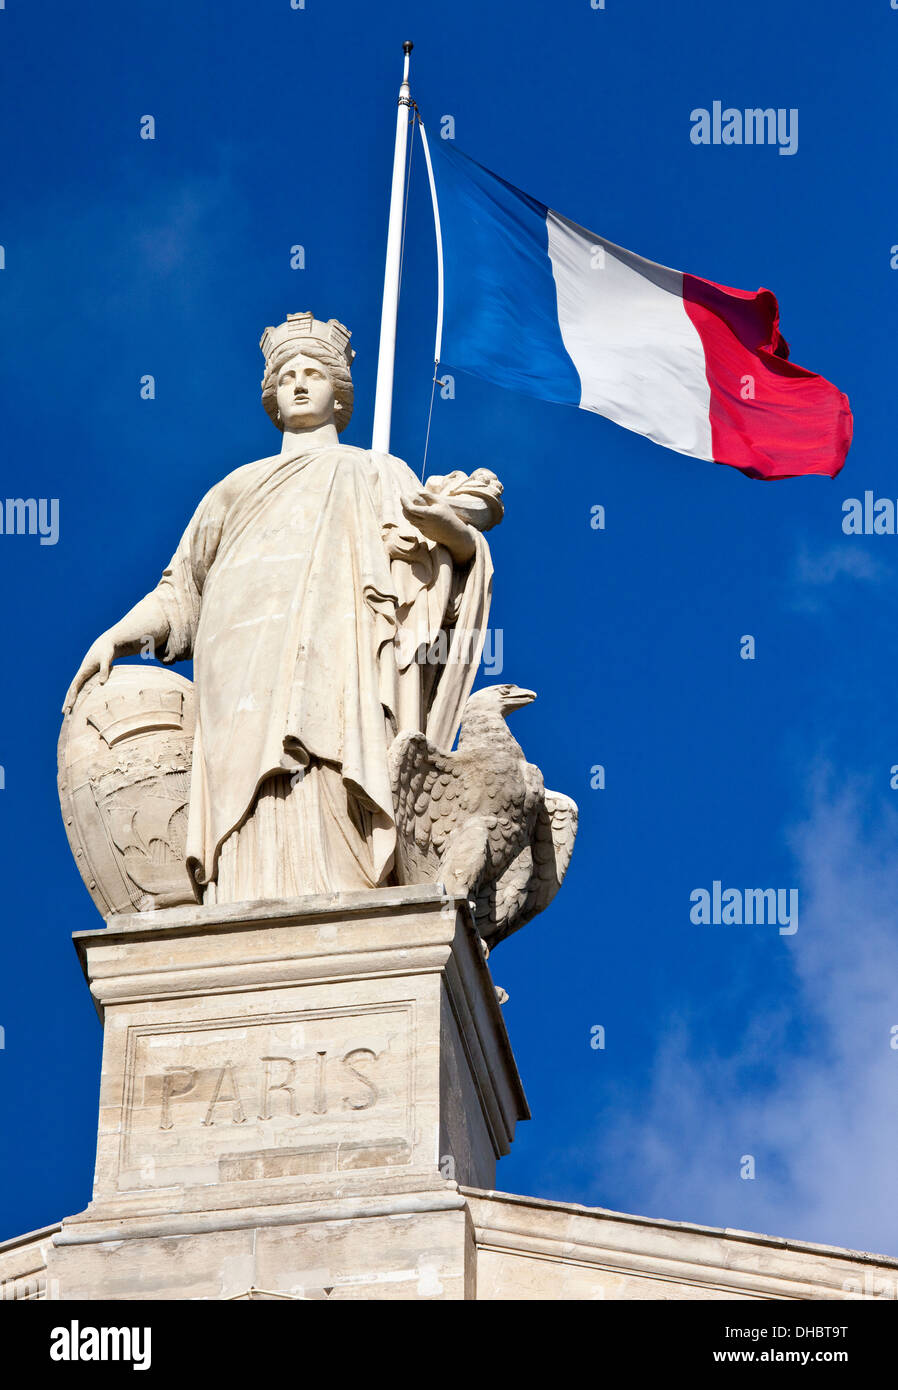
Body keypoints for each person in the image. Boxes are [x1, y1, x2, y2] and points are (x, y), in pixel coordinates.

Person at [63, 312, 503, 903]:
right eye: (287, 374)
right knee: (244, 792)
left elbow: (439, 575)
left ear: (338, 393)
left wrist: (452, 533)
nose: (298, 383)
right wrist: (119, 635)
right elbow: (180, 593)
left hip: (339, 650)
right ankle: (241, 896)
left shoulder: (375, 470)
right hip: (239, 664)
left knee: (328, 763)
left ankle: (343, 893)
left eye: (314, 373)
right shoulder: (235, 487)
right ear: (271, 394)